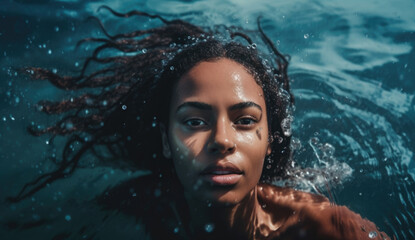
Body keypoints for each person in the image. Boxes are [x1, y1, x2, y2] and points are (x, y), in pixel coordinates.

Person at [12, 7, 391, 240]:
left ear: (270, 141)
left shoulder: (325, 226)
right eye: (194, 121)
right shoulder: (134, 204)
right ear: (165, 140)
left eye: (245, 121)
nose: (222, 140)